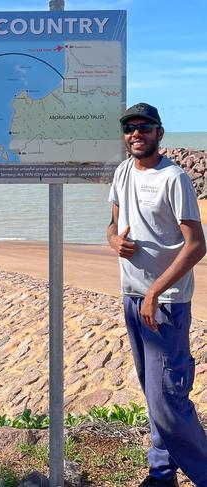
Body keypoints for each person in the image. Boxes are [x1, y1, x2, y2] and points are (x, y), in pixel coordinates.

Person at [107, 103, 207, 487]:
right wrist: (114, 240)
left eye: (144, 128)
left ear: (159, 133)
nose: (136, 134)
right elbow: (112, 225)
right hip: (131, 296)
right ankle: (161, 474)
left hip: (164, 302)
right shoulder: (122, 171)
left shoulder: (174, 178)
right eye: (129, 128)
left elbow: (196, 245)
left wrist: (154, 291)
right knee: (153, 392)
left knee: (168, 398)